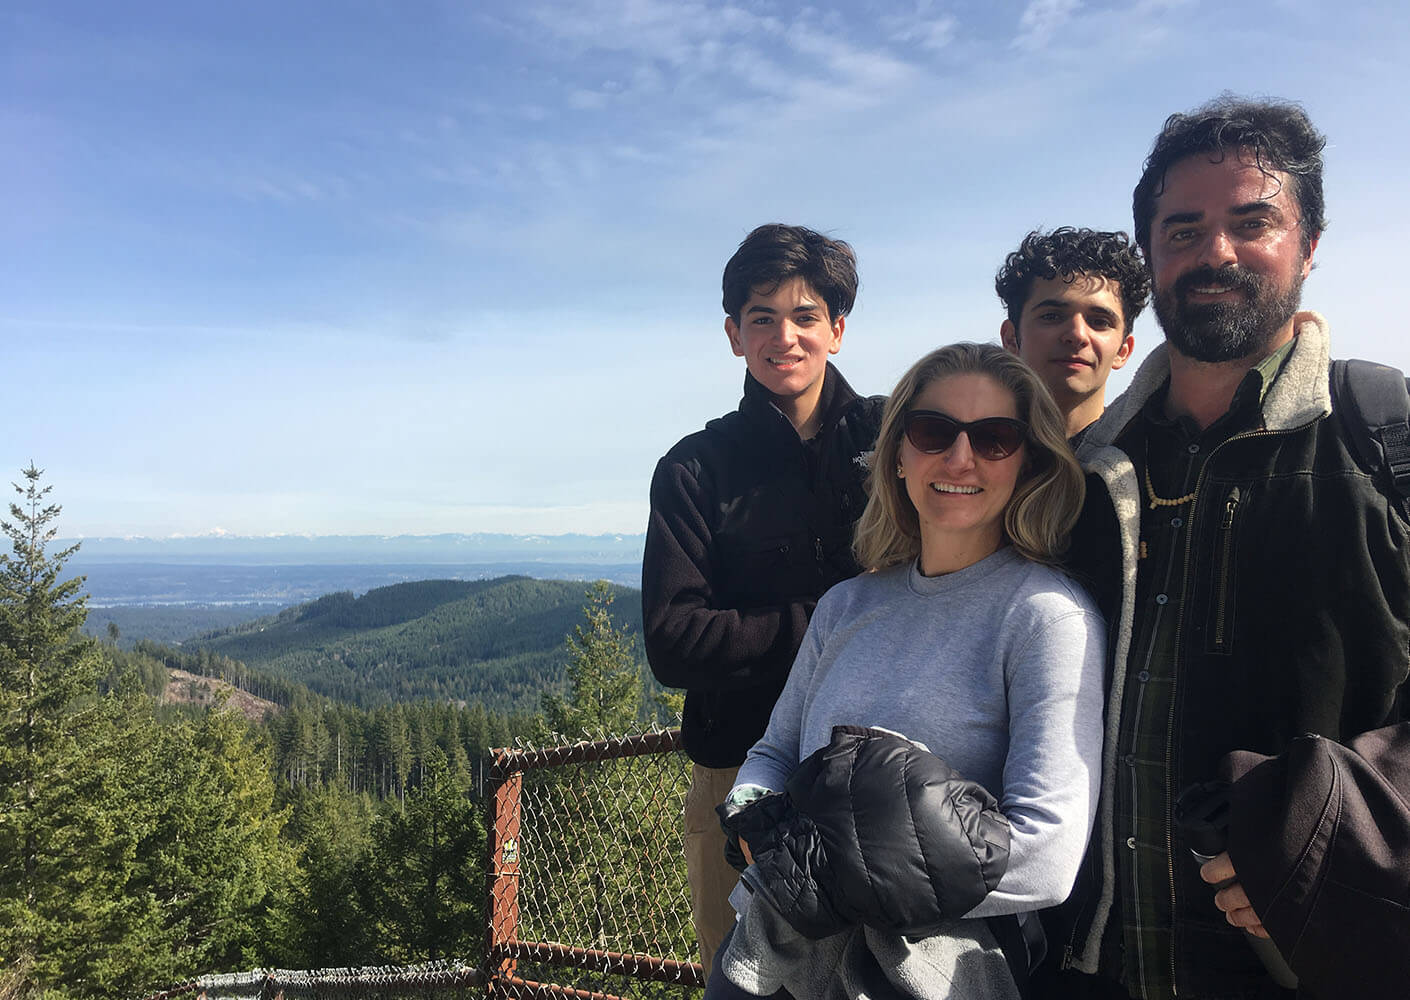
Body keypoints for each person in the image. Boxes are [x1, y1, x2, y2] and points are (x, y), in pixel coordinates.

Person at [1043, 96, 1410, 999]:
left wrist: (1326, 843)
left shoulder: (1382, 435)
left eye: (1254, 222)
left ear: (1310, 243)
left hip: (1307, 962)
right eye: (1184, 228)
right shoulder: (1088, 476)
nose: (1215, 253)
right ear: (1154, 257)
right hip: (1094, 962)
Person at [710, 342, 1107, 999]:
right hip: (773, 953)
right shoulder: (846, 605)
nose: (960, 458)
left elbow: (1050, 854)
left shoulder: (1044, 616)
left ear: (1028, 461)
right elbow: (773, 751)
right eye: (933, 432)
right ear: (898, 454)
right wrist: (753, 825)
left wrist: (838, 880)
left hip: (925, 975)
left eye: (995, 439)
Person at [642, 223, 885, 973]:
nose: (786, 336)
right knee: (746, 983)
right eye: (762, 317)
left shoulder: (900, 437)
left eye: (806, 316)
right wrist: (835, 622)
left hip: (886, 777)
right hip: (739, 784)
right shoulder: (695, 469)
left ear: (837, 329)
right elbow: (675, 641)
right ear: (733, 335)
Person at [996, 228, 1149, 440]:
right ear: (1011, 339)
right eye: (1052, 316)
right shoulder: (963, 455)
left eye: (1099, 322)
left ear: (1123, 350)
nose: (1077, 335)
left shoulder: (1153, 464)